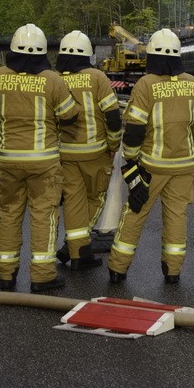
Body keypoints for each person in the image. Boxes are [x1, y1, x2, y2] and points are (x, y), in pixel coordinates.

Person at [0, 23, 79, 293]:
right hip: (44, 163)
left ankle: (6, 276)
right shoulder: (53, 80)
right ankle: (42, 277)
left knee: (9, 215)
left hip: (9, 161)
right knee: (44, 217)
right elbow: (70, 114)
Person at [107, 28, 194, 285]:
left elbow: (135, 129)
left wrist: (130, 160)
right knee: (176, 218)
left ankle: (118, 269)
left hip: (151, 167)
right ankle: (173, 271)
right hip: (184, 167)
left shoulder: (146, 85)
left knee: (135, 213)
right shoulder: (193, 83)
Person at [55, 30, 122, 271]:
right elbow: (113, 116)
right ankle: (80, 249)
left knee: (73, 201)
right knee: (95, 198)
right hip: (95, 152)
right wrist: (113, 145)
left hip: (65, 153)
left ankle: (74, 250)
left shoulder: (55, 79)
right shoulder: (97, 77)